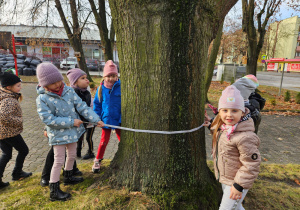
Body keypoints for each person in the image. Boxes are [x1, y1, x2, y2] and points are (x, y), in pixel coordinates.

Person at [36, 63, 104, 201]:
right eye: (53, 83)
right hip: (58, 135)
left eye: (58, 81)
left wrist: (96, 119)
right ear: (44, 85)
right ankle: (54, 189)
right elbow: (48, 119)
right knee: (58, 160)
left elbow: (82, 107)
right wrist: (71, 122)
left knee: (72, 155)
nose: (57, 85)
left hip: (72, 133)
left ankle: (68, 176)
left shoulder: (69, 91)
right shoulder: (42, 99)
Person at [204, 85, 261, 210]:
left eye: (234, 111)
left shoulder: (245, 136)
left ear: (242, 112)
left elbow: (251, 164)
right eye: (225, 110)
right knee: (236, 207)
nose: (229, 115)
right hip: (226, 179)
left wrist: (238, 186)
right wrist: (211, 125)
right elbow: (221, 133)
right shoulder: (226, 128)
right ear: (219, 111)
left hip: (237, 182)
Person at [0, 72, 32, 189]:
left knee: (6, 154)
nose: (21, 87)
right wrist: (18, 120)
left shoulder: (5, 95)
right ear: (8, 87)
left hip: (2, 132)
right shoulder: (8, 99)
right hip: (9, 132)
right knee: (24, 150)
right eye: (18, 85)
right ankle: (17, 173)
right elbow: (3, 116)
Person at [92, 60, 121, 173]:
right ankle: (98, 159)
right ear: (104, 76)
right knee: (103, 141)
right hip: (106, 121)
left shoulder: (121, 87)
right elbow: (97, 105)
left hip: (119, 120)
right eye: (108, 76)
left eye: (113, 75)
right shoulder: (101, 89)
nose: (111, 78)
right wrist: (97, 119)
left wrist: (121, 118)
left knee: (123, 140)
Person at [66, 68, 96, 159]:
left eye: (86, 77)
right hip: (79, 120)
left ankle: (90, 152)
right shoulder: (72, 93)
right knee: (79, 136)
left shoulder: (86, 91)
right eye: (83, 78)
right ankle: (77, 152)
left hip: (90, 119)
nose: (87, 80)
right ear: (75, 82)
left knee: (88, 137)